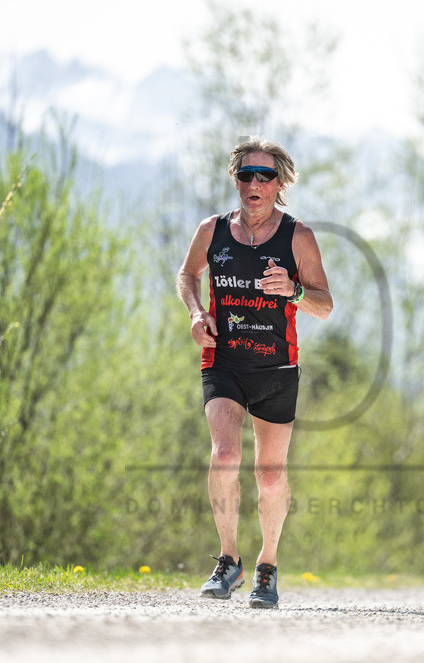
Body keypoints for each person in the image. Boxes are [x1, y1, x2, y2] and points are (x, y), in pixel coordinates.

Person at [176, 137, 332, 608]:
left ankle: (268, 564)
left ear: (279, 183)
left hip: (276, 367)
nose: (254, 183)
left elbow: (325, 305)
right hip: (224, 361)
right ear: (236, 181)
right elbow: (187, 275)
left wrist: (294, 291)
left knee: (269, 476)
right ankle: (229, 559)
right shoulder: (212, 230)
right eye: (246, 175)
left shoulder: (298, 236)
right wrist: (196, 312)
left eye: (265, 175)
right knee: (225, 454)